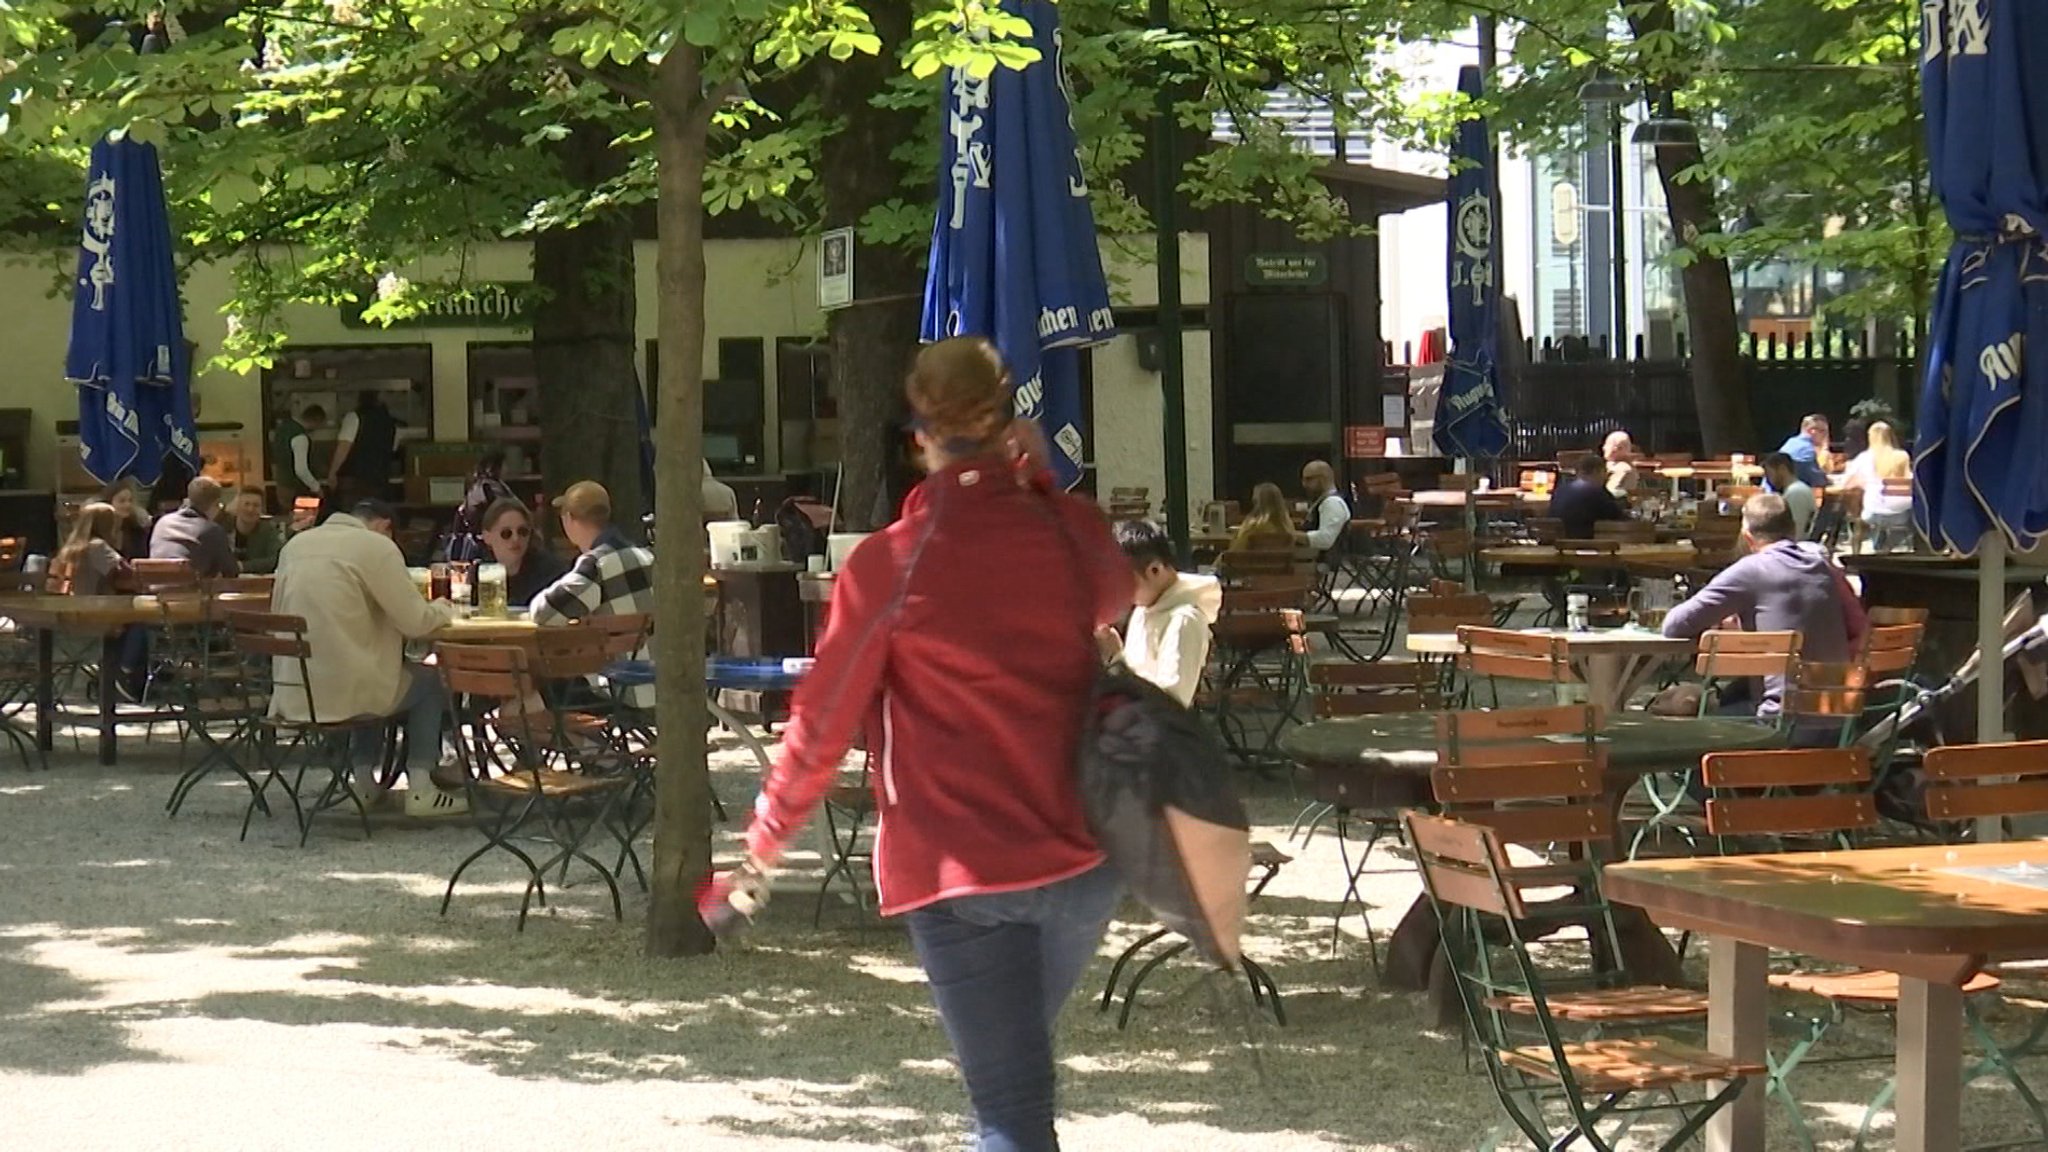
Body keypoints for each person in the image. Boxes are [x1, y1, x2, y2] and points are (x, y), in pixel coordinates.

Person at [722, 337, 1129, 1152]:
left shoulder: (891, 565)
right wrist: (1039, 479)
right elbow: (1114, 590)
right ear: (1011, 421)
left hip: (959, 866)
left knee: (1010, 1106)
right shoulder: (1065, 528)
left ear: (919, 436)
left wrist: (761, 850)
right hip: (1086, 856)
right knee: (1014, 1077)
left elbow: (821, 723)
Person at [271, 498, 462, 816]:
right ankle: (421, 786)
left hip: (294, 691)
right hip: (348, 694)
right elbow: (416, 622)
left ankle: (363, 783)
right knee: (431, 679)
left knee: (368, 667)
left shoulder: (296, 546)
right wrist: (443, 607)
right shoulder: (375, 547)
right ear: (385, 526)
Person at [1661, 493, 1866, 720]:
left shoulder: (1751, 570)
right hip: (1839, 718)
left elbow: (1673, 626)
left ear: (1747, 538)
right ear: (1793, 530)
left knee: (1684, 712)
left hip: (1777, 722)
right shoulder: (1824, 568)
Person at [531, 480, 656, 707]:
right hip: (661, 687)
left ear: (569, 519)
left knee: (541, 689)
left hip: (622, 692)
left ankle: (581, 743)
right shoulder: (647, 557)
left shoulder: (596, 565)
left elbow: (543, 613)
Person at [1101, 519, 1220, 707]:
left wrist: (1116, 660)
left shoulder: (1184, 620)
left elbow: (1171, 703)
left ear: (1155, 570)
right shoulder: (1143, 609)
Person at [480, 496, 569, 609]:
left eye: (523, 531)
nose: (516, 538)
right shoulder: (480, 571)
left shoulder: (551, 572)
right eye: (506, 533)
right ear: (487, 537)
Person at [148, 476, 239, 579]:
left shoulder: (162, 523)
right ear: (215, 504)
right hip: (190, 591)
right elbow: (231, 571)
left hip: (157, 589)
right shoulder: (212, 530)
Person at [1845, 420, 1914, 552]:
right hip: (1902, 515)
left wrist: (1862, 483)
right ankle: (1886, 548)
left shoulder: (1864, 457)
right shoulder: (1902, 456)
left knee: (1858, 515)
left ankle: (1857, 553)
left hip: (1873, 514)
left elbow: (1846, 483)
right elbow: (1910, 480)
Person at [325, 390, 401, 508]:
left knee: (352, 513)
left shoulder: (354, 417)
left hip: (354, 477)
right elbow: (393, 449)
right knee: (371, 514)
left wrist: (332, 473)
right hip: (379, 478)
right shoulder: (390, 422)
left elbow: (344, 447)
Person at [444, 451, 516, 563]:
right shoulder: (487, 487)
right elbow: (501, 510)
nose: (507, 468)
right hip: (487, 543)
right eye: (504, 465)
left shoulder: (485, 485)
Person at [52, 503, 133, 596]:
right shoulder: (97, 546)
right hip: (97, 604)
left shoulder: (70, 548)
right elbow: (126, 573)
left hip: (75, 603)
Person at [1548, 453, 1629, 540]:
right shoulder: (1596, 493)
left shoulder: (1560, 490)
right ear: (1597, 471)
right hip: (1587, 545)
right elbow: (1619, 517)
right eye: (1605, 472)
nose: (1606, 477)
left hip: (1559, 545)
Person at [272, 404, 326, 510]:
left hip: (282, 484)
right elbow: (301, 470)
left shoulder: (283, 428)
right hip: (295, 488)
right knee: (302, 521)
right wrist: (316, 487)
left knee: (289, 517)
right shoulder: (300, 437)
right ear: (316, 421)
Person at [1300, 460, 1350, 565]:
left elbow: (1325, 539)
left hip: (1320, 561)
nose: (1304, 484)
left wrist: (1293, 536)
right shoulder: (1323, 502)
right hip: (1309, 557)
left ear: (1323, 478)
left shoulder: (1332, 503)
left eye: (1309, 479)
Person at [223, 489, 285, 574]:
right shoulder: (222, 528)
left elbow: (275, 560)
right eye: (246, 504)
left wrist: (241, 566)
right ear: (237, 507)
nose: (250, 509)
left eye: (256, 505)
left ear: (261, 509)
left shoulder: (270, 529)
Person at [1761, 452, 1816, 540]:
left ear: (1782, 469)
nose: (1768, 480)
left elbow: (1796, 533)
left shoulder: (1796, 492)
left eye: (1769, 473)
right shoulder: (1795, 490)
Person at [1229, 483, 1298, 552]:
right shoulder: (1287, 526)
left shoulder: (1253, 527)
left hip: (1251, 562)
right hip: (1278, 562)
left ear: (1256, 502)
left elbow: (1235, 550)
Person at [1777, 413, 1832, 491]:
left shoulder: (1791, 441)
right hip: (1787, 495)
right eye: (1823, 431)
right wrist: (1829, 481)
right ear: (1811, 431)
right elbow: (1816, 479)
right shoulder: (1807, 450)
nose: (1826, 436)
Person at [99, 477, 151, 559]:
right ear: (108, 503)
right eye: (122, 501)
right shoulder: (98, 532)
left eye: (130, 500)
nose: (128, 505)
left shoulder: (137, 531)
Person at [1602, 429, 1640, 497]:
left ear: (1618, 448)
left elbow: (1611, 492)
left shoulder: (1621, 469)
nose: (1603, 447)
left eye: (1607, 444)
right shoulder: (1617, 466)